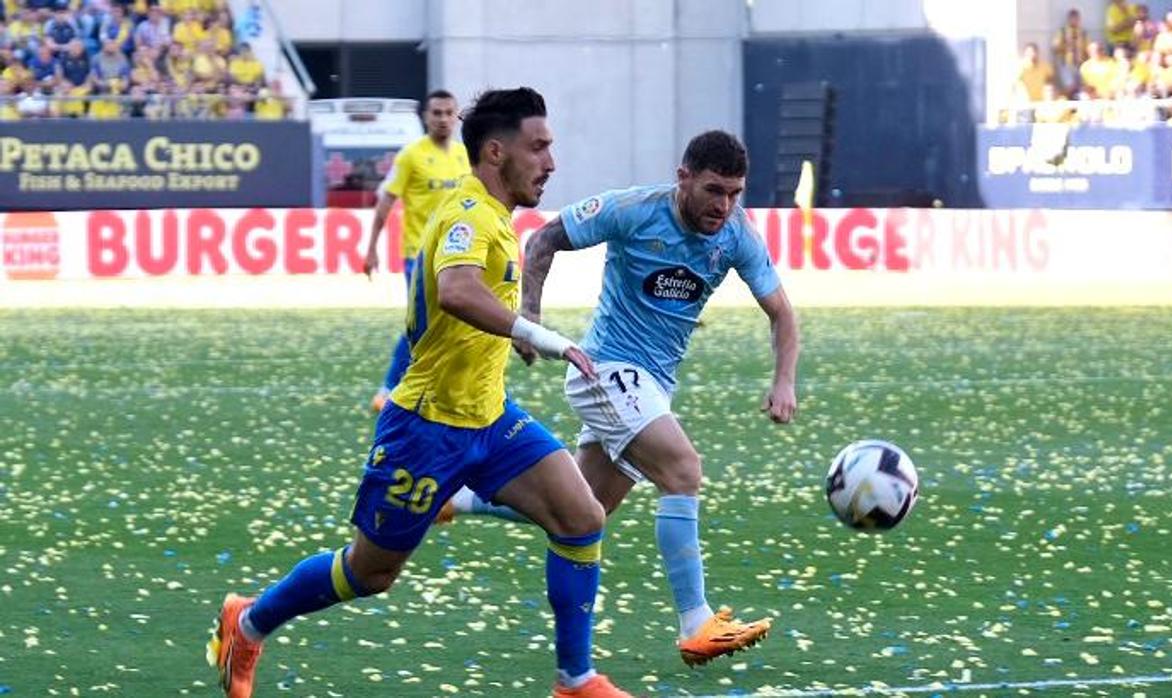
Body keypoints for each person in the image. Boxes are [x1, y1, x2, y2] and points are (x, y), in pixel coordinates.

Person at [207, 87, 633, 698]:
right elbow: (458, 289)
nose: (551, 162)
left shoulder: (497, 215)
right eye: (538, 147)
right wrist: (541, 333)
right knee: (369, 571)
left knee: (581, 518)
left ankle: (575, 680)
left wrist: (510, 334)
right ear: (495, 152)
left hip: (490, 418)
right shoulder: (468, 213)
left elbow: (473, 300)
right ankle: (248, 623)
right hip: (425, 427)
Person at [444, 130, 801, 667]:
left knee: (583, 508)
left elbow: (782, 312)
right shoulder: (634, 209)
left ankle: (454, 499)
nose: (723, 205)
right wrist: (530, 318)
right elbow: (543, 240)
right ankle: (696, 622)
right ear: (683, 178)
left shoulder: (737, 235)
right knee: (683, 470)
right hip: (604, 371)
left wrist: (784, 381)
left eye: (733, 193)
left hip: (651, 386)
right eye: (712, 190)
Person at [364, 89, 471, 412]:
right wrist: (371, 249)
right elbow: (386, 203)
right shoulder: (410, 156)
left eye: (448, 113)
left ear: (456, 117)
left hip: (457, 257)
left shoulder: (464, 156)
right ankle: (388, 390)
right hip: (419, 256)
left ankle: (442, 390)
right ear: (426, 116)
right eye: (436, 112)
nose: (442, 119)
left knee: (458, 324)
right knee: (422, 325)